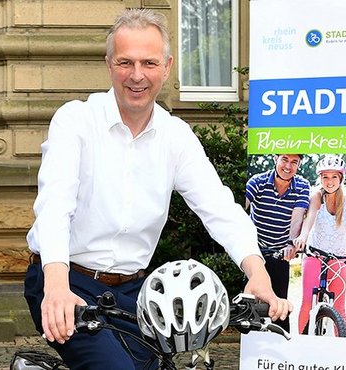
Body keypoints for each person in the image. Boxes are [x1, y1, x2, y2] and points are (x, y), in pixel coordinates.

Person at [24, 9, 290, 370]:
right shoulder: (75, 121)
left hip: (136, 291)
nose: (137, 75)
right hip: (66, 278)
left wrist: (256, 272)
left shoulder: (175, 136)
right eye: (125, 62)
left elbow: (220, 208)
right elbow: (56, 204)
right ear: (109, 65)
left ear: (166, 67)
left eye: (148, 63)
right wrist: (56, 285)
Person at [291, 155, 346, 334]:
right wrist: (302, 237)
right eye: (325, 177)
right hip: (314, 255)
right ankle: (302, 343)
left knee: (339, 307)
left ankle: (342, 348)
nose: (329, 181)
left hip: (338, 257)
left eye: (333, 177)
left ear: (341, 178)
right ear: (320, 178)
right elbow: (310, 218)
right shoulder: (316, 195)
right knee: (308, 301)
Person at [247, 153, 311, 332]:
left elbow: (297, 217)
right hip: (255, 252)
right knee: (251, 305)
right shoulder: (257, 182)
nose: (288, 166)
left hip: (281, 252)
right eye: (284, 159)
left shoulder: (302, 186)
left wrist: (290, 244)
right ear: (275, 159)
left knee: (280, 305)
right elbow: (242, 207)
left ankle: (281, 349)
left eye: (294, 162)